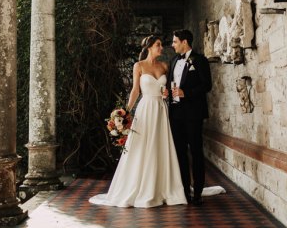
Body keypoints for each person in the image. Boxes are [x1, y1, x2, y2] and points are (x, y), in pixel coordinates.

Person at [89, 35, 187, 207]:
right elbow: (135, 90)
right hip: (145, 109)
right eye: (158, 45)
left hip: (161, 109)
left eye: (161, 45)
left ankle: (162, 187)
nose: (161, 48)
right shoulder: (139, 66)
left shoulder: (165, 66)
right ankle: (141, 187)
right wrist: (125, 112)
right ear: (149, 47)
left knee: (160, 145)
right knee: (142, 146)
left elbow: (170, 88)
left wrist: (167, 94)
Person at [168, 29, 212, 205]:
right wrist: (168, 93)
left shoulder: (200, 60)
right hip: (176, 114)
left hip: (194, 114)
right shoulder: (173, 61)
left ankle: (198, 191)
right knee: (179, 153)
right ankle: (184, 190)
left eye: (175, 42)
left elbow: (206, 85)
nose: (172, 45)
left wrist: (187, 93)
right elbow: (172, 84)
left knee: (195, 151)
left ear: (184, 42)